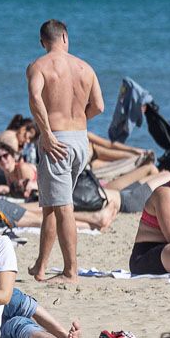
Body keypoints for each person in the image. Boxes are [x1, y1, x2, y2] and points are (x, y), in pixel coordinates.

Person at [25, 19, 102, 282]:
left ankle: (71, 271)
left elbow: (35, 98)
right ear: (65, 38)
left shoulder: (39, 66)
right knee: (51, 203)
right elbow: (99, 106)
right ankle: (41, 266)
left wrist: (46, 133)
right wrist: (79, 121)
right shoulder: (86, 68)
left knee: (63, 206)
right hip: (80, 139)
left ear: (42, 42)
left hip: (56, 140)